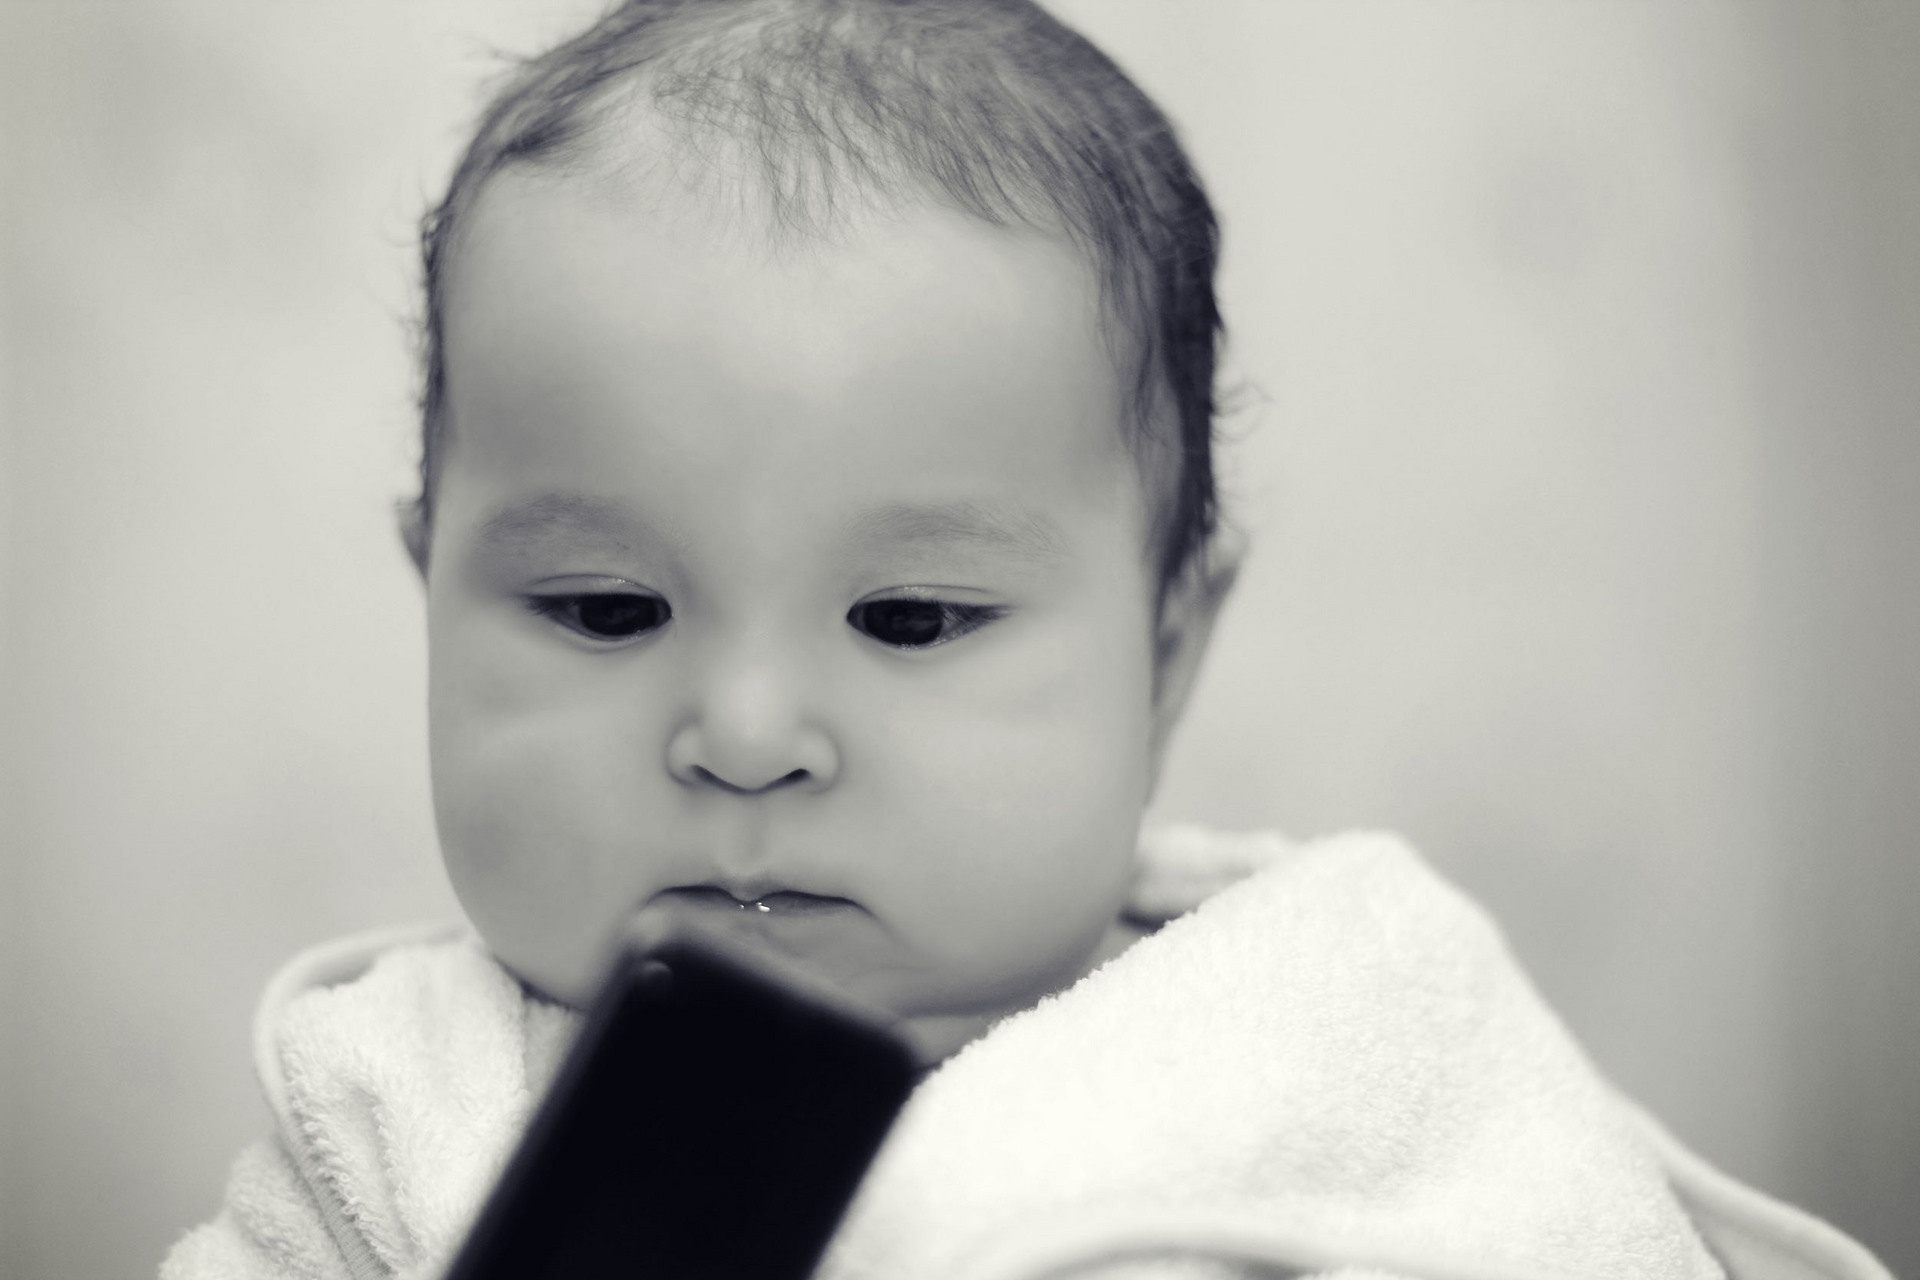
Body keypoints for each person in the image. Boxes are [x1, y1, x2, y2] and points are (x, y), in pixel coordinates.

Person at [160, 2, 1890, 1278]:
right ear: (433, 594)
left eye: (911, 617)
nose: (746, 735)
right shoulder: (392, 1111)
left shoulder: (1353, 1043)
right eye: (605, 609)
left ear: (1169, 649)